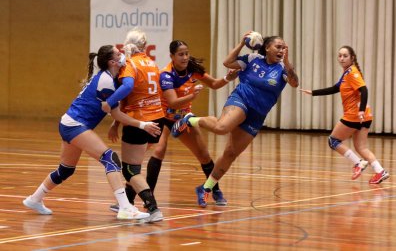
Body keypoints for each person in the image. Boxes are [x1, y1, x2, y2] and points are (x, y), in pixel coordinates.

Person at [23, 45, 161, 220]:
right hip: (74, 124)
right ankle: (125, 207)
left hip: (68, 123)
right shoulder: (107, 82)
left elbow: (116, 111)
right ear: (113, 62)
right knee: (110, 158)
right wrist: (143, 125)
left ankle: (35, 199)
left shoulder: (109, 78)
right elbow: (118, 109)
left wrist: (139, 125)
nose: (123, 55)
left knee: (65, 170)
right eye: (119, 54)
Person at [171, 32, 299, 207]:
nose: (281, 50)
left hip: (257, 115)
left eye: (284, 47)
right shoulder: (253, 58)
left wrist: (287, 61)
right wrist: (241, 44)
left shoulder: (283, 70)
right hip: (241, 100)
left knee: (231, 153)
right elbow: (227, 63)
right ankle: (190, 119)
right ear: (267, 48)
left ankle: (205, 188)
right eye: (278, 46)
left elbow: (294, 83)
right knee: (222, 127)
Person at [144, 40, 239, 206]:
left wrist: (227, 78)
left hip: (183, 118)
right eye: (180, 54)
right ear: (172, 56)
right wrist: (192, 97)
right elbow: (173, 102)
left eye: (186, 53)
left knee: (203, 154)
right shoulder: (166, 75)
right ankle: (148, 197)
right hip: (163, 117)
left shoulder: (193, 70)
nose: (185, 57)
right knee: (159, 149)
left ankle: (214, 190)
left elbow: (215, 84)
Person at [300, 45, 389, 184]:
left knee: (333, 141)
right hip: (366, 115)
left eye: (345, 56)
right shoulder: (347, 73)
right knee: (361, 147)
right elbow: (336, 88)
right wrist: (313, 92)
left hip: (355, 114)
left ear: (352, 58)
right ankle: (380, 171)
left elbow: (364, 90)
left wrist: (360, 111)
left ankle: (358, 163)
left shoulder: (352, 72)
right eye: (340, 55)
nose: (341, 58)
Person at [104, 28, 165, 222]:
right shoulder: (152, 64)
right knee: (135, 164)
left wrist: (109, 102)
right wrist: (116, 123)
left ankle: (153, 209)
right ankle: (126, 203)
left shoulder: (130, 64)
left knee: (130, 170)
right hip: (158, 119)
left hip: (140, 122)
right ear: (144, 46)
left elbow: (128, 88)